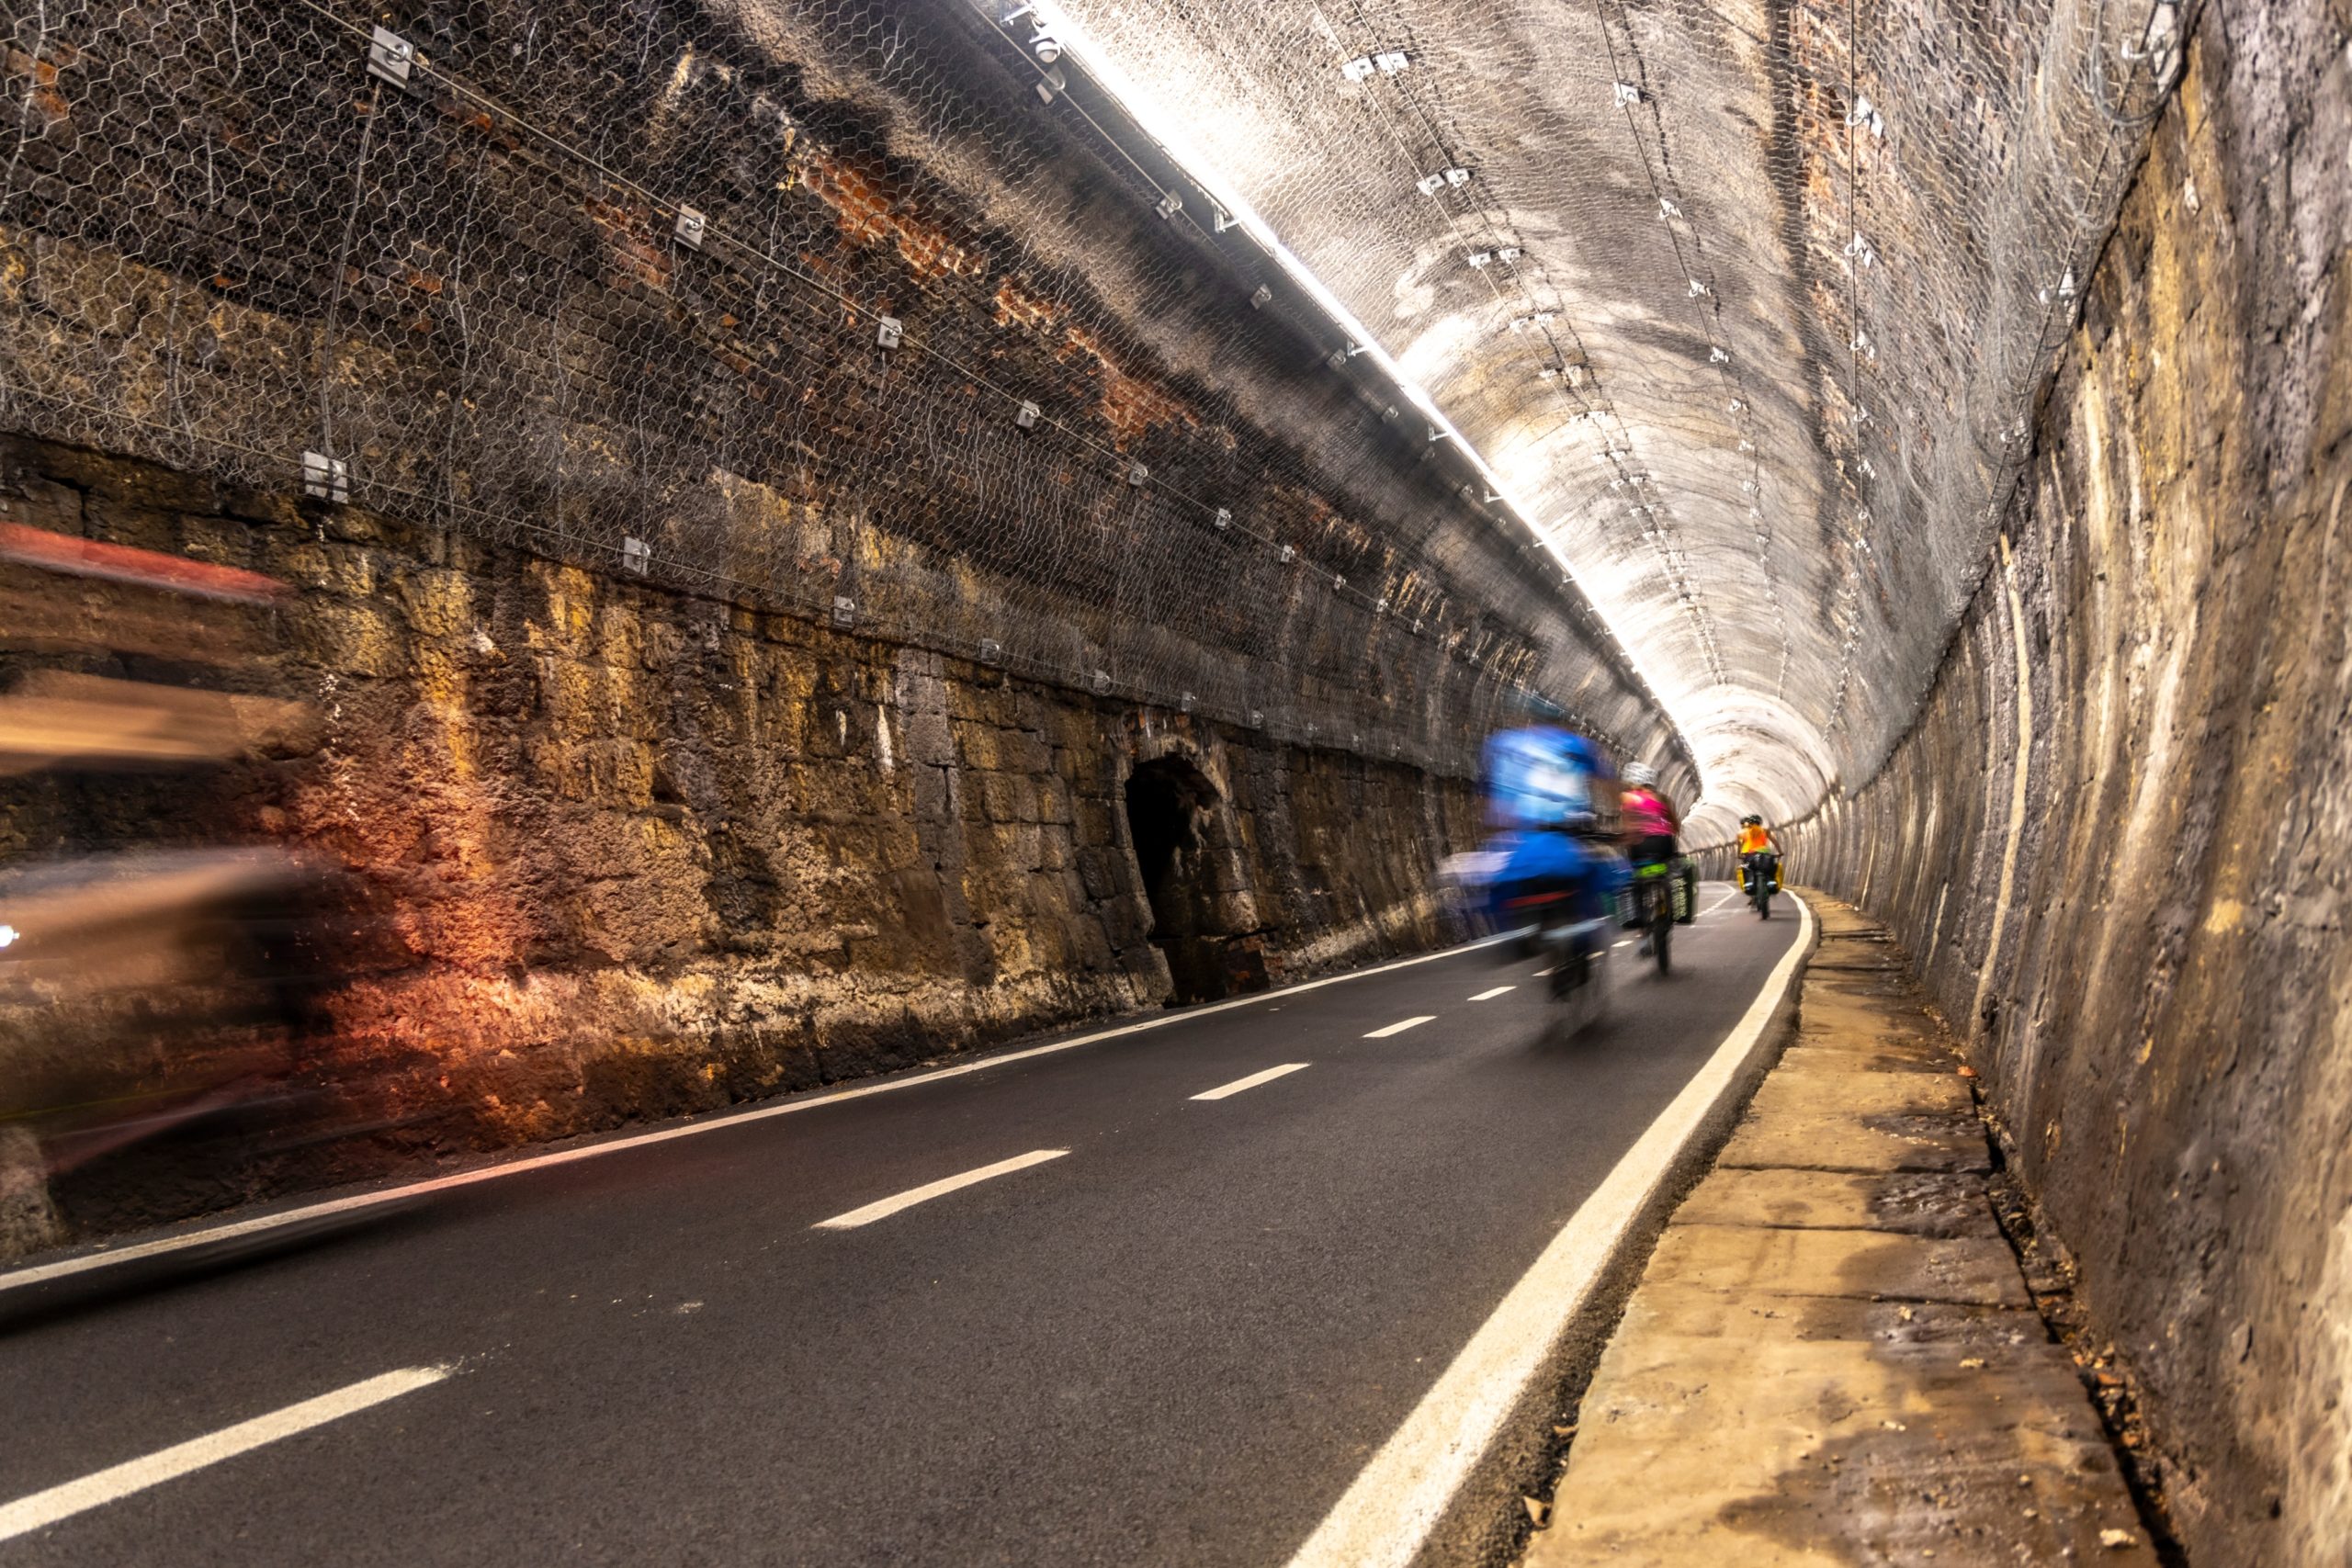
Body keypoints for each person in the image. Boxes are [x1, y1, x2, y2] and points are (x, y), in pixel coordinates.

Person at [1618, 761, 1681, 948]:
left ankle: (1643, 934)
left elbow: (1627, 826)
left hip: (1639, 846)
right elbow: (1675, 825)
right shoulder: (1663, 799)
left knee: (1636, 881)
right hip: (1664, 844)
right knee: (1668, 874)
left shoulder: (1628, 798)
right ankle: (1668, 910)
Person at [1736, 814, 1781, 892]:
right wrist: (1780, 852)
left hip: (1749, 854)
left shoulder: (1742, 833)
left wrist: (1739, 854)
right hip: (1764, 853)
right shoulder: (1765, 830)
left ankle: (1749, 883)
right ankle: (1770, 882)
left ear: (1749, 823)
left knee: (1746, 867)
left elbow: (1740, 845)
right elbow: (1775, 842)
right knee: (1771, 866)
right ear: (1760, 822)